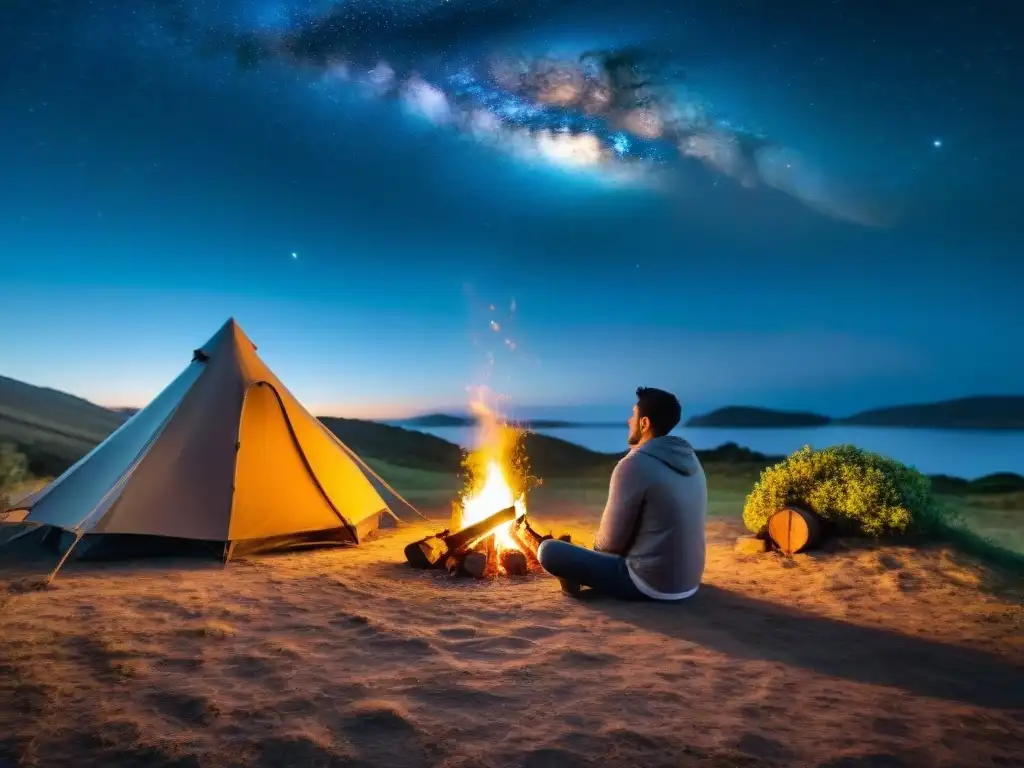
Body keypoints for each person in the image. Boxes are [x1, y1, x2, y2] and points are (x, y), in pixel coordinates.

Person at [537, 387, 707, 601]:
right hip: (689, 583)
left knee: (549, 550)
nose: (628, 421)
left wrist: (588, 556)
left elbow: (609, 545)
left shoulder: (634, 464)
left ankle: (575, 578)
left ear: (644, 423)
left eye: (633, 415)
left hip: (650, 584)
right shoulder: (691, 460)